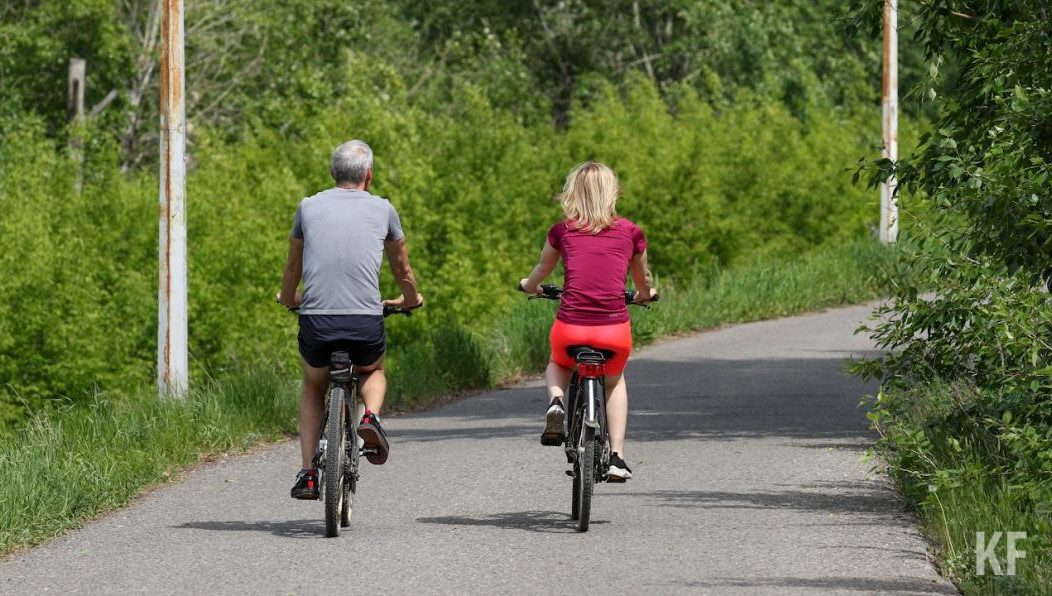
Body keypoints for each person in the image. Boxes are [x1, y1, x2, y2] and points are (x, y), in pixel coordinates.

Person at [278, 140, 423, 500]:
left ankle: (309, 473)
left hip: (317, 322)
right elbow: (401, 267)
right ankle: (370, 416)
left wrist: (287, 297)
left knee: (314, 384)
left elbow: (293, 266)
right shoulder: (384, 210)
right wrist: (410, 299)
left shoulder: (308, 207)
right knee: (373, 370)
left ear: (332, 174)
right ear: (368, 176)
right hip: (363, 322)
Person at [519, 161, 656, 482]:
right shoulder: (631, 232)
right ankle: (618, 458)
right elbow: (643, 280)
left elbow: (541, 270)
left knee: (558, 362)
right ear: (613, 193)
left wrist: (529, 285)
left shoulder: (562, 230)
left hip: (571, 328)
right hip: (613, 332)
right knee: (614, 381)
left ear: (572, 193)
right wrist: (646, 293)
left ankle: (556, 402)